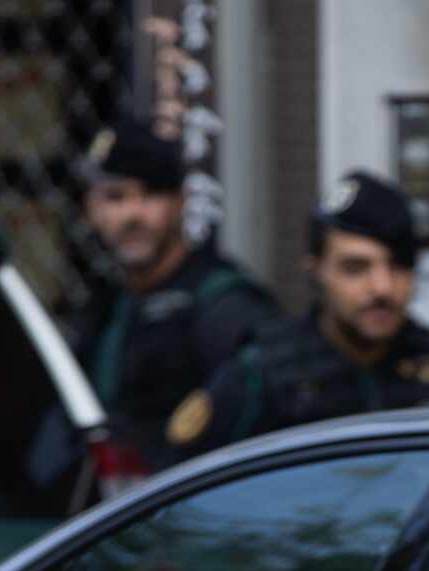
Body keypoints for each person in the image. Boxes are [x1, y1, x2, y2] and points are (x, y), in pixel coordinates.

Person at [171, 171, 429, 458]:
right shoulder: (261, 374)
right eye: (356, 268)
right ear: (316, 272)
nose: (382, 288)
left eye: (398, 266)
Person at [73, 118, 280, 476]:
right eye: (115, 197)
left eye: (150, 195)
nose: (133, 214)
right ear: (91, 209)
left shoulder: (223, 304)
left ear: (180, 203)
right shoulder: (104, 304)